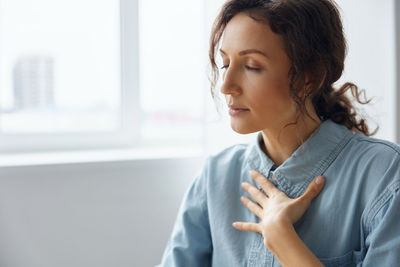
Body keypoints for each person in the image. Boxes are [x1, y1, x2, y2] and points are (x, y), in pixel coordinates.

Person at [157, 0, 400, 266]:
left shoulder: (385, 176)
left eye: (251, 66)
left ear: (310, 77)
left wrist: (282, 239)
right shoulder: (215, 176)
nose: (226, 86)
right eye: (226, 64)